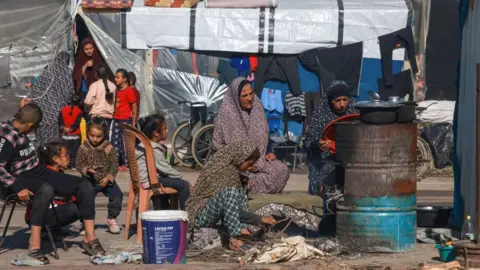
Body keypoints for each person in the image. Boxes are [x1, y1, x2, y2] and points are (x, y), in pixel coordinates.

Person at [0, 100, 105, 263]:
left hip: (38, 171)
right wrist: (17, 187)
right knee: (46, 190)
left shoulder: (20, 124)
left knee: (83, 185)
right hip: (19, 178)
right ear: (30, 125)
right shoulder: (6, 137)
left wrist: (23, 109)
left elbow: (20, 120)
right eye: (36, 125)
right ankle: (34, 246)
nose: (36, 129)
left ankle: (89, 238)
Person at [186, 141, 276, 251]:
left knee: (241, 186)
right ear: (241, 158)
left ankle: (240, 230)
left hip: (213, 212)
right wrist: (259, 219)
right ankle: (235, 239)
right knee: (231, 192)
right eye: (249, 164)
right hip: (200, 214)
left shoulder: (232, 170)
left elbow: (232, 207)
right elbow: (230, 207)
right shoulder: (224, 171)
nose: (249, 168)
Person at [212, 77, 289, 194]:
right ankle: (246, 192)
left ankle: (253, 192)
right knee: (236, 179)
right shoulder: (227, 113)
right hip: (232, 165)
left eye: (251, 93)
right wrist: (242, 164)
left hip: (257, 161)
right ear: (236, 97)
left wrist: (269, 152)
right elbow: (218, 146)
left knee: (281, 170)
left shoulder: (257, 106)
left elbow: (263, 134)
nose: (250, 98)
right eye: (244, 96)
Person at [303, 80, 359, 196]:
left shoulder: (356, 110)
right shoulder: (321, 113)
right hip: (325, 159)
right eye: (337, 101)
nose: (342, 104)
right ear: (330, 101)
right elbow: (307, 144)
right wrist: (318, 144)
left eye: (345, 100)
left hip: (352, 157)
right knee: (329, 176)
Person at [76, 117, 123, 234]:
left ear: (105, 135)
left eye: (99, 136)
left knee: (117, 196)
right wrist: (86, 170)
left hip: (106, 179)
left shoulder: (109, 148)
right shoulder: (83, 148)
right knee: (85, 200)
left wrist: (109, 177)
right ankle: (86, 223)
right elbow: (78, 163)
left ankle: (111, 218)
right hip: (89, 180)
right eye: (92, 135)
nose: (95, 139)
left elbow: (114, 164)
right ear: (87, 133)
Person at [136, 114, 190, 210]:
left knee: (171, 181)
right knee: (184, 185)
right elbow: (165, 168)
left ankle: (165, 210)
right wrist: (182, 177)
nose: (167, 130)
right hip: (151, 180)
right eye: (165, 128)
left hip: (147, 179)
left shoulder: (145, 144)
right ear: (156, 133)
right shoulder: (152, 148)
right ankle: (187, 215)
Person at [27, 142, 80, 237]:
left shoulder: (58, 172)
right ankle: (45, 230)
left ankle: (53, 230)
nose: (69, 157)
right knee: (76, 208)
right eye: (66, 155)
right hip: (37, 216)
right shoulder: (47, 174)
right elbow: (56, 198)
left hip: (45, 212)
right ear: (55, 159)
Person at [28, 52, 74, 147]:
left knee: (41, 134)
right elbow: (69, 93)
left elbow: (36, 89)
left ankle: (40, 153)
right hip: (55, 111)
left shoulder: (48, 71)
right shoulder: (66, 73)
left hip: (41, 110)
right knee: (52, 138)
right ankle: (50, 155)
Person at [111, 68, 138, 171]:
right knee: (115, 142)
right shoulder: (117, 90)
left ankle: (127, 164)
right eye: (115, 77)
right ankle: (116, 163)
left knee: (125, 143)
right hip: (116, 119)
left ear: (125, 79)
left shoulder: (129, 91)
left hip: (125, 120)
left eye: (118, 77)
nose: (115, 79)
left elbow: (134, 105)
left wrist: (133, 120)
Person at [59, 93, 83, 168]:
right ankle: (73, 166)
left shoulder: (63, 109)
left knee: (65, 152)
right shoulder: (79, 111)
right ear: (79, 102)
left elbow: (60, 122)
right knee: (74, 152)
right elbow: (76, 124)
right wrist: (70, 129)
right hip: (75, 136)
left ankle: (66, 165)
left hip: (65, 135)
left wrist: (64, 128)